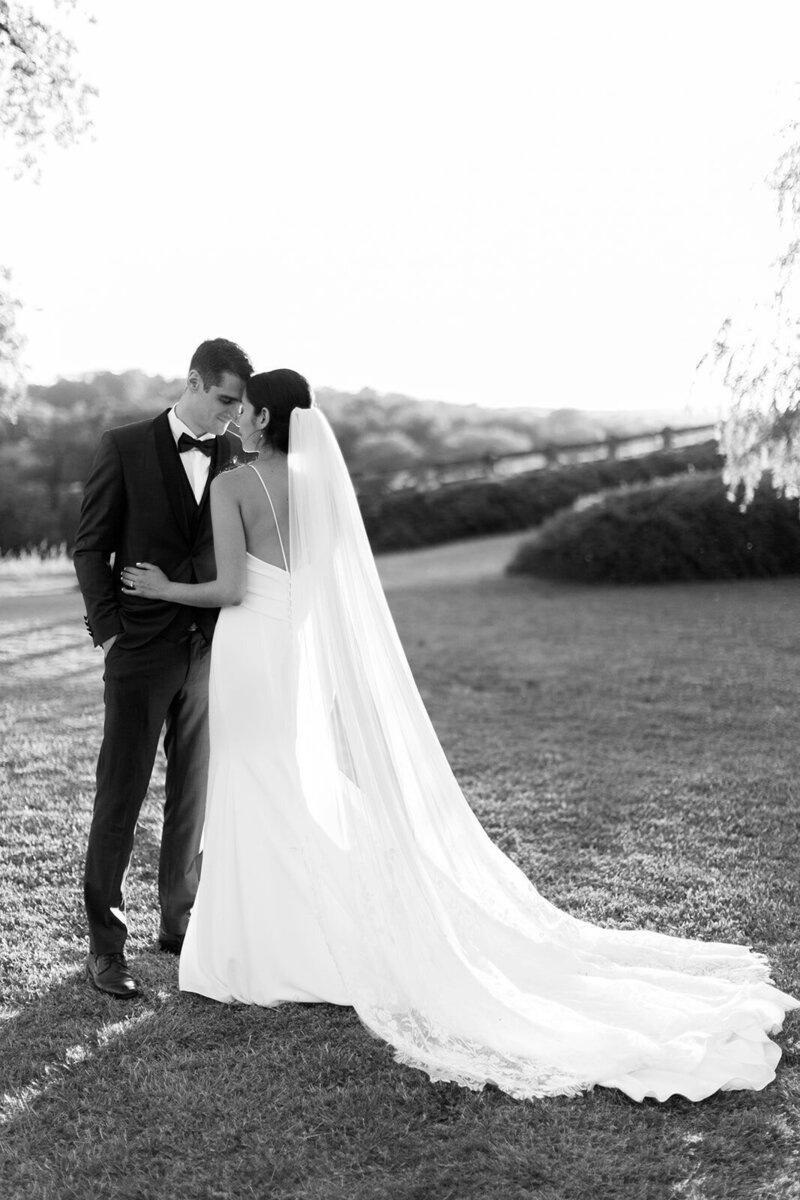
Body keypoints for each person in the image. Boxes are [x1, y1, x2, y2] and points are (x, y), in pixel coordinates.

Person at [123, 369, 798, 1102]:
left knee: (260, 786)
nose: (239, 422)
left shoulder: (234, 485)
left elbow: (229, 591)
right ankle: (297, 933)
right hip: (296, 654)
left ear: (265, 415)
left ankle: (271, 946)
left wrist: (162, 589)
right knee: (293, 783)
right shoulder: (318, 486)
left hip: (252, 654)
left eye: (246, 411)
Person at [74, 337, 253, 999]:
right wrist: (111, 633)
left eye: (240, 405)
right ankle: (106, 947)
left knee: (191, 799)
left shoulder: (234, 453)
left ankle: (179, 925)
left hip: (208, 652)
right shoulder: (122, 446)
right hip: (140, 652)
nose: (232, 417)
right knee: (119, 797)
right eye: (225, 400)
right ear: (194, 382)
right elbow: (90, 546)